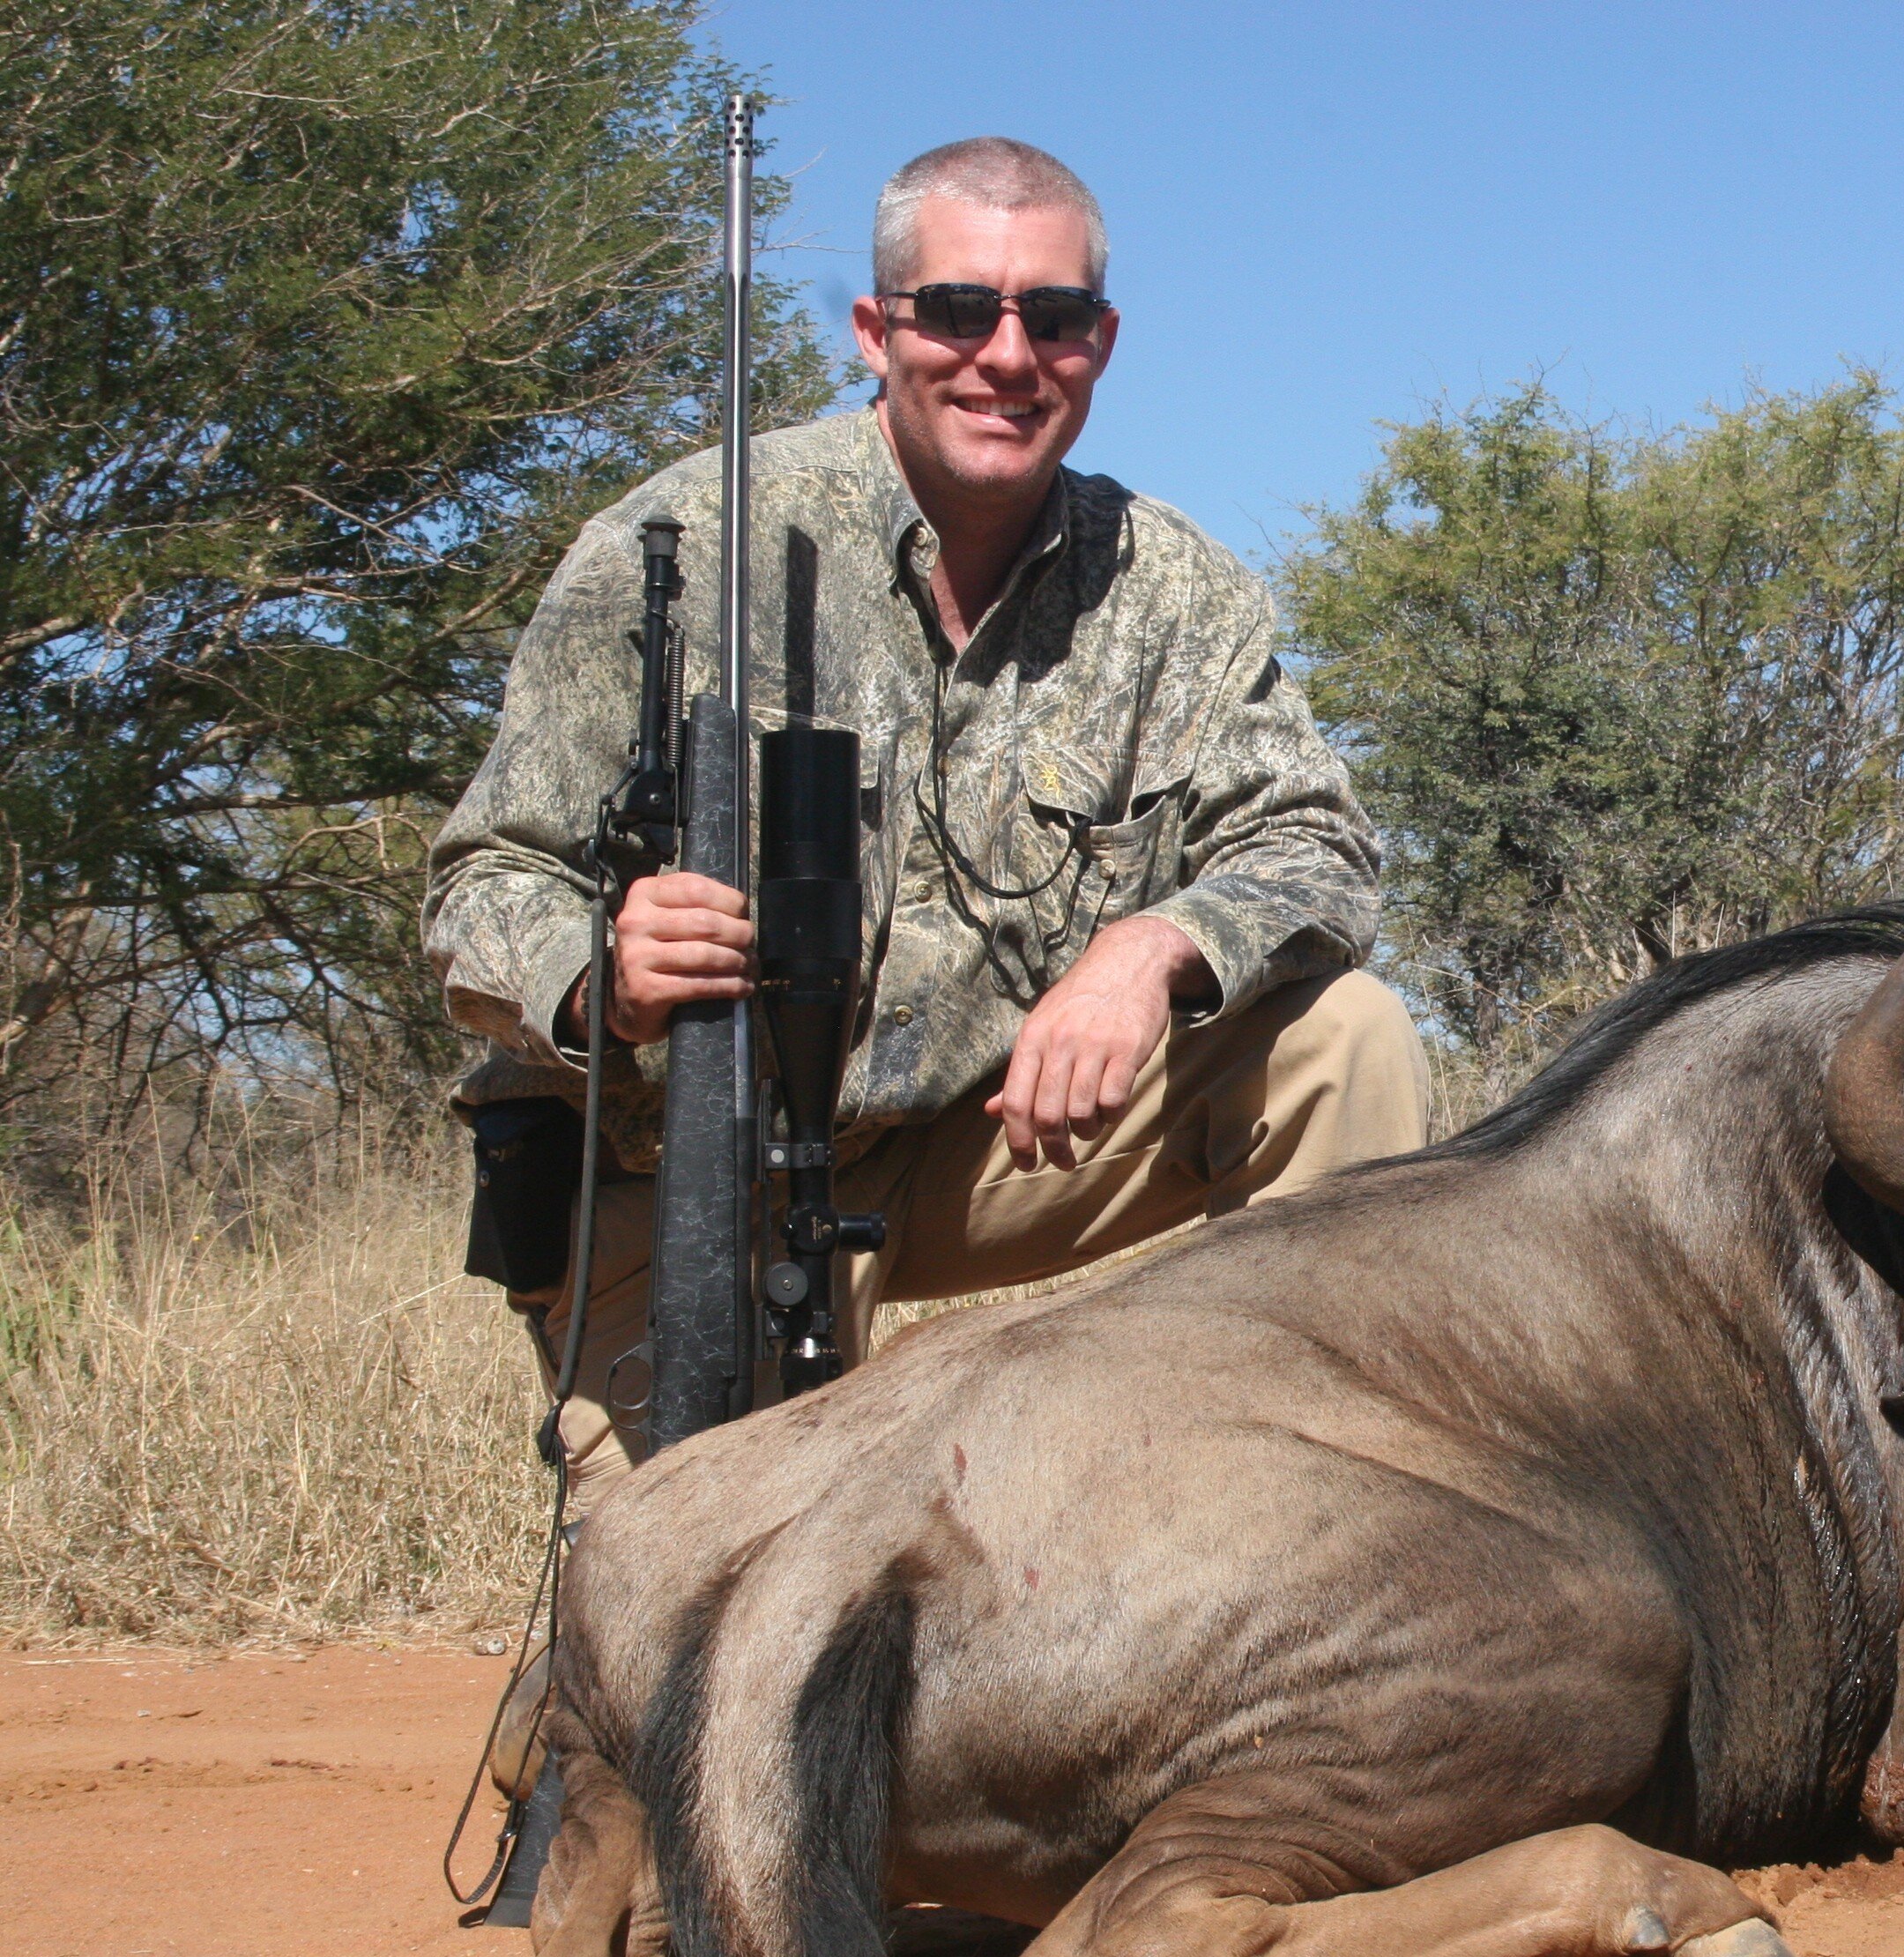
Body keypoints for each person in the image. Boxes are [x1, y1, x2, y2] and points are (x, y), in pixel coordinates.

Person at [426, 137, 1429, 1522]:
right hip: (688, 1181)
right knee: (691, 1631)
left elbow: (1315, 842)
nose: (1008, 356)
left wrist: (1152, 950)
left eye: (1053, 317)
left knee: (1347, 1038)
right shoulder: (679, 545)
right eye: (960, 309)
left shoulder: (1176, 589)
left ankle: (1299, 1535)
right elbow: (486, 879)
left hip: (980, 1147)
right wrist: (604, 976)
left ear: (1102, 341)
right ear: (874, 329)